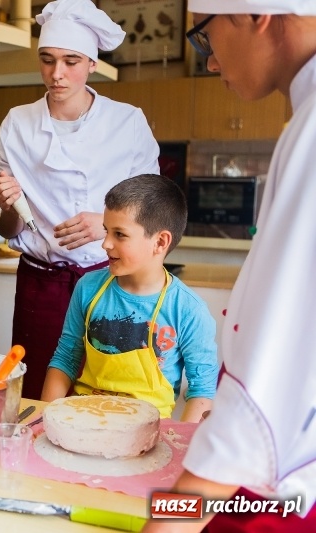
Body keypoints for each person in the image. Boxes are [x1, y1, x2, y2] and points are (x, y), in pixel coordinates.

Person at [142, 3, 316, 532]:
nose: (211, 62)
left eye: (205, 34)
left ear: (258, 14)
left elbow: (258, 414)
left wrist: (168, 517)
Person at [0, 0, 160, 399]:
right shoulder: (17, 124)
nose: (57, 74)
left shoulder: (127, 123)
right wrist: (6, 203)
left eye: (71, 61)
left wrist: (106, 224)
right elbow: (9, 229)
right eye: (47, 60)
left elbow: (154, 208)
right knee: (37, 393)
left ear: (92, 63)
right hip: (40, 283)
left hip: (108, 280)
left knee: (104, 391)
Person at [40, 175, 218, 422]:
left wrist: (183, 444)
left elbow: (202, 391)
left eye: (119, 234)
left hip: (151, 435)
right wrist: (45, 419)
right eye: (106, 231)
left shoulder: (188, 310)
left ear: (160, 242)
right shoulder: (88, 288)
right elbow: (65, 358)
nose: (105, 244)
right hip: (84, 421)